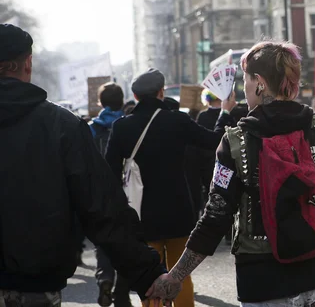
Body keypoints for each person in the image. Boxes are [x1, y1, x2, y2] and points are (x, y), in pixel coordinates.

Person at [146, 41, 315, 306]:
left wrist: (175, 276)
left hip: (262, 281)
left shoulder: (235, 141)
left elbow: (215, 217)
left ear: (260, 82)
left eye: (245, 80)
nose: (244, 89)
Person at [0, 24, 166, 307]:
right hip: (35, 284)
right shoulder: (60, 125)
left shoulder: (62, 125)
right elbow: (101, 208)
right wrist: (147, 273)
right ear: (28, 64)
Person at [104, 68, 236, 307]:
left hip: (141, 216)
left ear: (135, 97)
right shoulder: (177, 121)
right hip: (178, 212)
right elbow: (214, 140)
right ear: (161, 92)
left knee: (150, 277)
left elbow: (109, 173)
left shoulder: (122, 127)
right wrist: (225, 112)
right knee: (180, 275)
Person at [88, 82, 132, 307]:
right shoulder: (126, 126)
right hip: (126, 192)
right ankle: (122, 294)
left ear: (100, 103)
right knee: (126, 242)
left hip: (97, 194)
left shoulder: (89, 128)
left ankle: (105, 279)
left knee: (103, 241)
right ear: (122, 100)